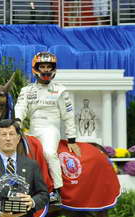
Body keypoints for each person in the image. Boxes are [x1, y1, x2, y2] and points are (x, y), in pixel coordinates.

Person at [14, 51, 81, 204]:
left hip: (51, 129)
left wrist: (72, 139)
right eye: (42, 66)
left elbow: (68, 116)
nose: (45, 70)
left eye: (48, 66)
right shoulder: (27, 90)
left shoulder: (61, 90)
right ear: (35, 68)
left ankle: (57, 191)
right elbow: (20, 108)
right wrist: (17, 122)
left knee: (49, 153)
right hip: (32, 130)